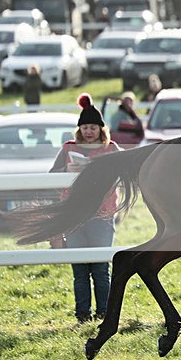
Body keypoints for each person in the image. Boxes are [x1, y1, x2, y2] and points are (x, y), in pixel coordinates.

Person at [50, 93, 121, 323]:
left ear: (101, 129)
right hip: (74, 215)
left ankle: (105, 313)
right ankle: (82, 314)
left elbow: (123, 174)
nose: (89, 131)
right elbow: (51, 177)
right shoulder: (68, 148)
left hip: (102, 214)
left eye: (93, 127)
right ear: (79, 129)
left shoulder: (111, 149)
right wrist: (67, 173)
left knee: (100, 268)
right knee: (80, 270)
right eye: (85, 127)